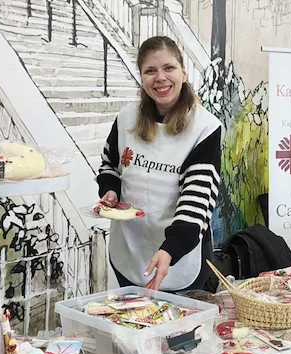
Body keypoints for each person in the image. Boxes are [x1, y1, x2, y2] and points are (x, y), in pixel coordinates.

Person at [96, 36, 223, 293]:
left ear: (183, 72)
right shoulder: (126, 118)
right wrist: (110, 190)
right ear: (142, 77)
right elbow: (110, 165)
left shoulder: (205, 128)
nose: (160, 78)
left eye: (169, 68)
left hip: (180, 253)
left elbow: (197, 200)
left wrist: (170, 250)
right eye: (150, 71)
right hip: (129, 250)